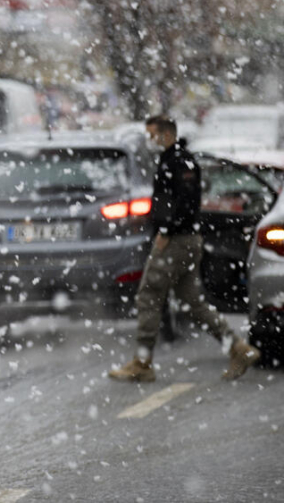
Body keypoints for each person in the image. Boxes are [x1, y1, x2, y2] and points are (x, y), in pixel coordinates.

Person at [108, 115, 261, 383]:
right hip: (187, 239)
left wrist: (166, 230)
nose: (149, 141)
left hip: (176, 241)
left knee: (148, 295)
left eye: (152, 135)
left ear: (166, 134)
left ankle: (142, 362)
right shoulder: (178, 159)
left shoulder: (177, 162)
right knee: (192, 301)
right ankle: (237, 347)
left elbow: (181, 201)